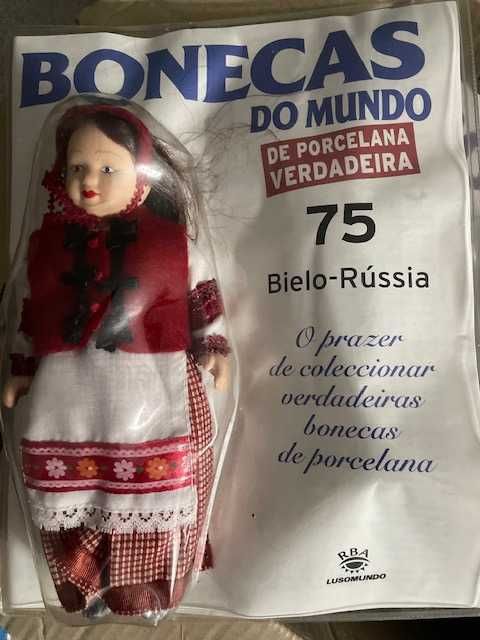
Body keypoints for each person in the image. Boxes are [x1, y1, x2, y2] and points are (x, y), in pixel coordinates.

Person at [1, 96, 230, 617]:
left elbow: (202, 296)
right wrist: (19, 369)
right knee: (69, 486)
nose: (90, 180)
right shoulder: (46, 247)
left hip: (153, 383)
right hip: (67, 391)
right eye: (77, 167)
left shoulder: (171, 244)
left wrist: (215, 347)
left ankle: (144, 578)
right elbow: (29, 316)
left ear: (142, 181)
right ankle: (81, 573)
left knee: (156, 481)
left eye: (108, 168)